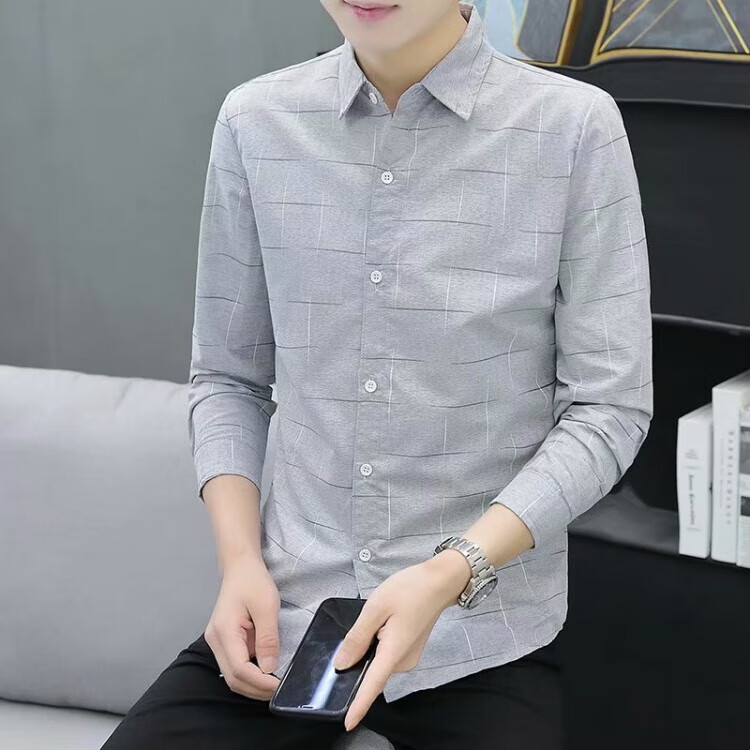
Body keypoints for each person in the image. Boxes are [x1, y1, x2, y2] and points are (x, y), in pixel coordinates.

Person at [101, 1, 653, 748]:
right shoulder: (255, 122)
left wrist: (453, 570)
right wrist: (240, 564)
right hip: (292, 624)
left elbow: (609, 410)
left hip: (482, 636)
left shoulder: (574, 127)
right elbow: (228, 377)